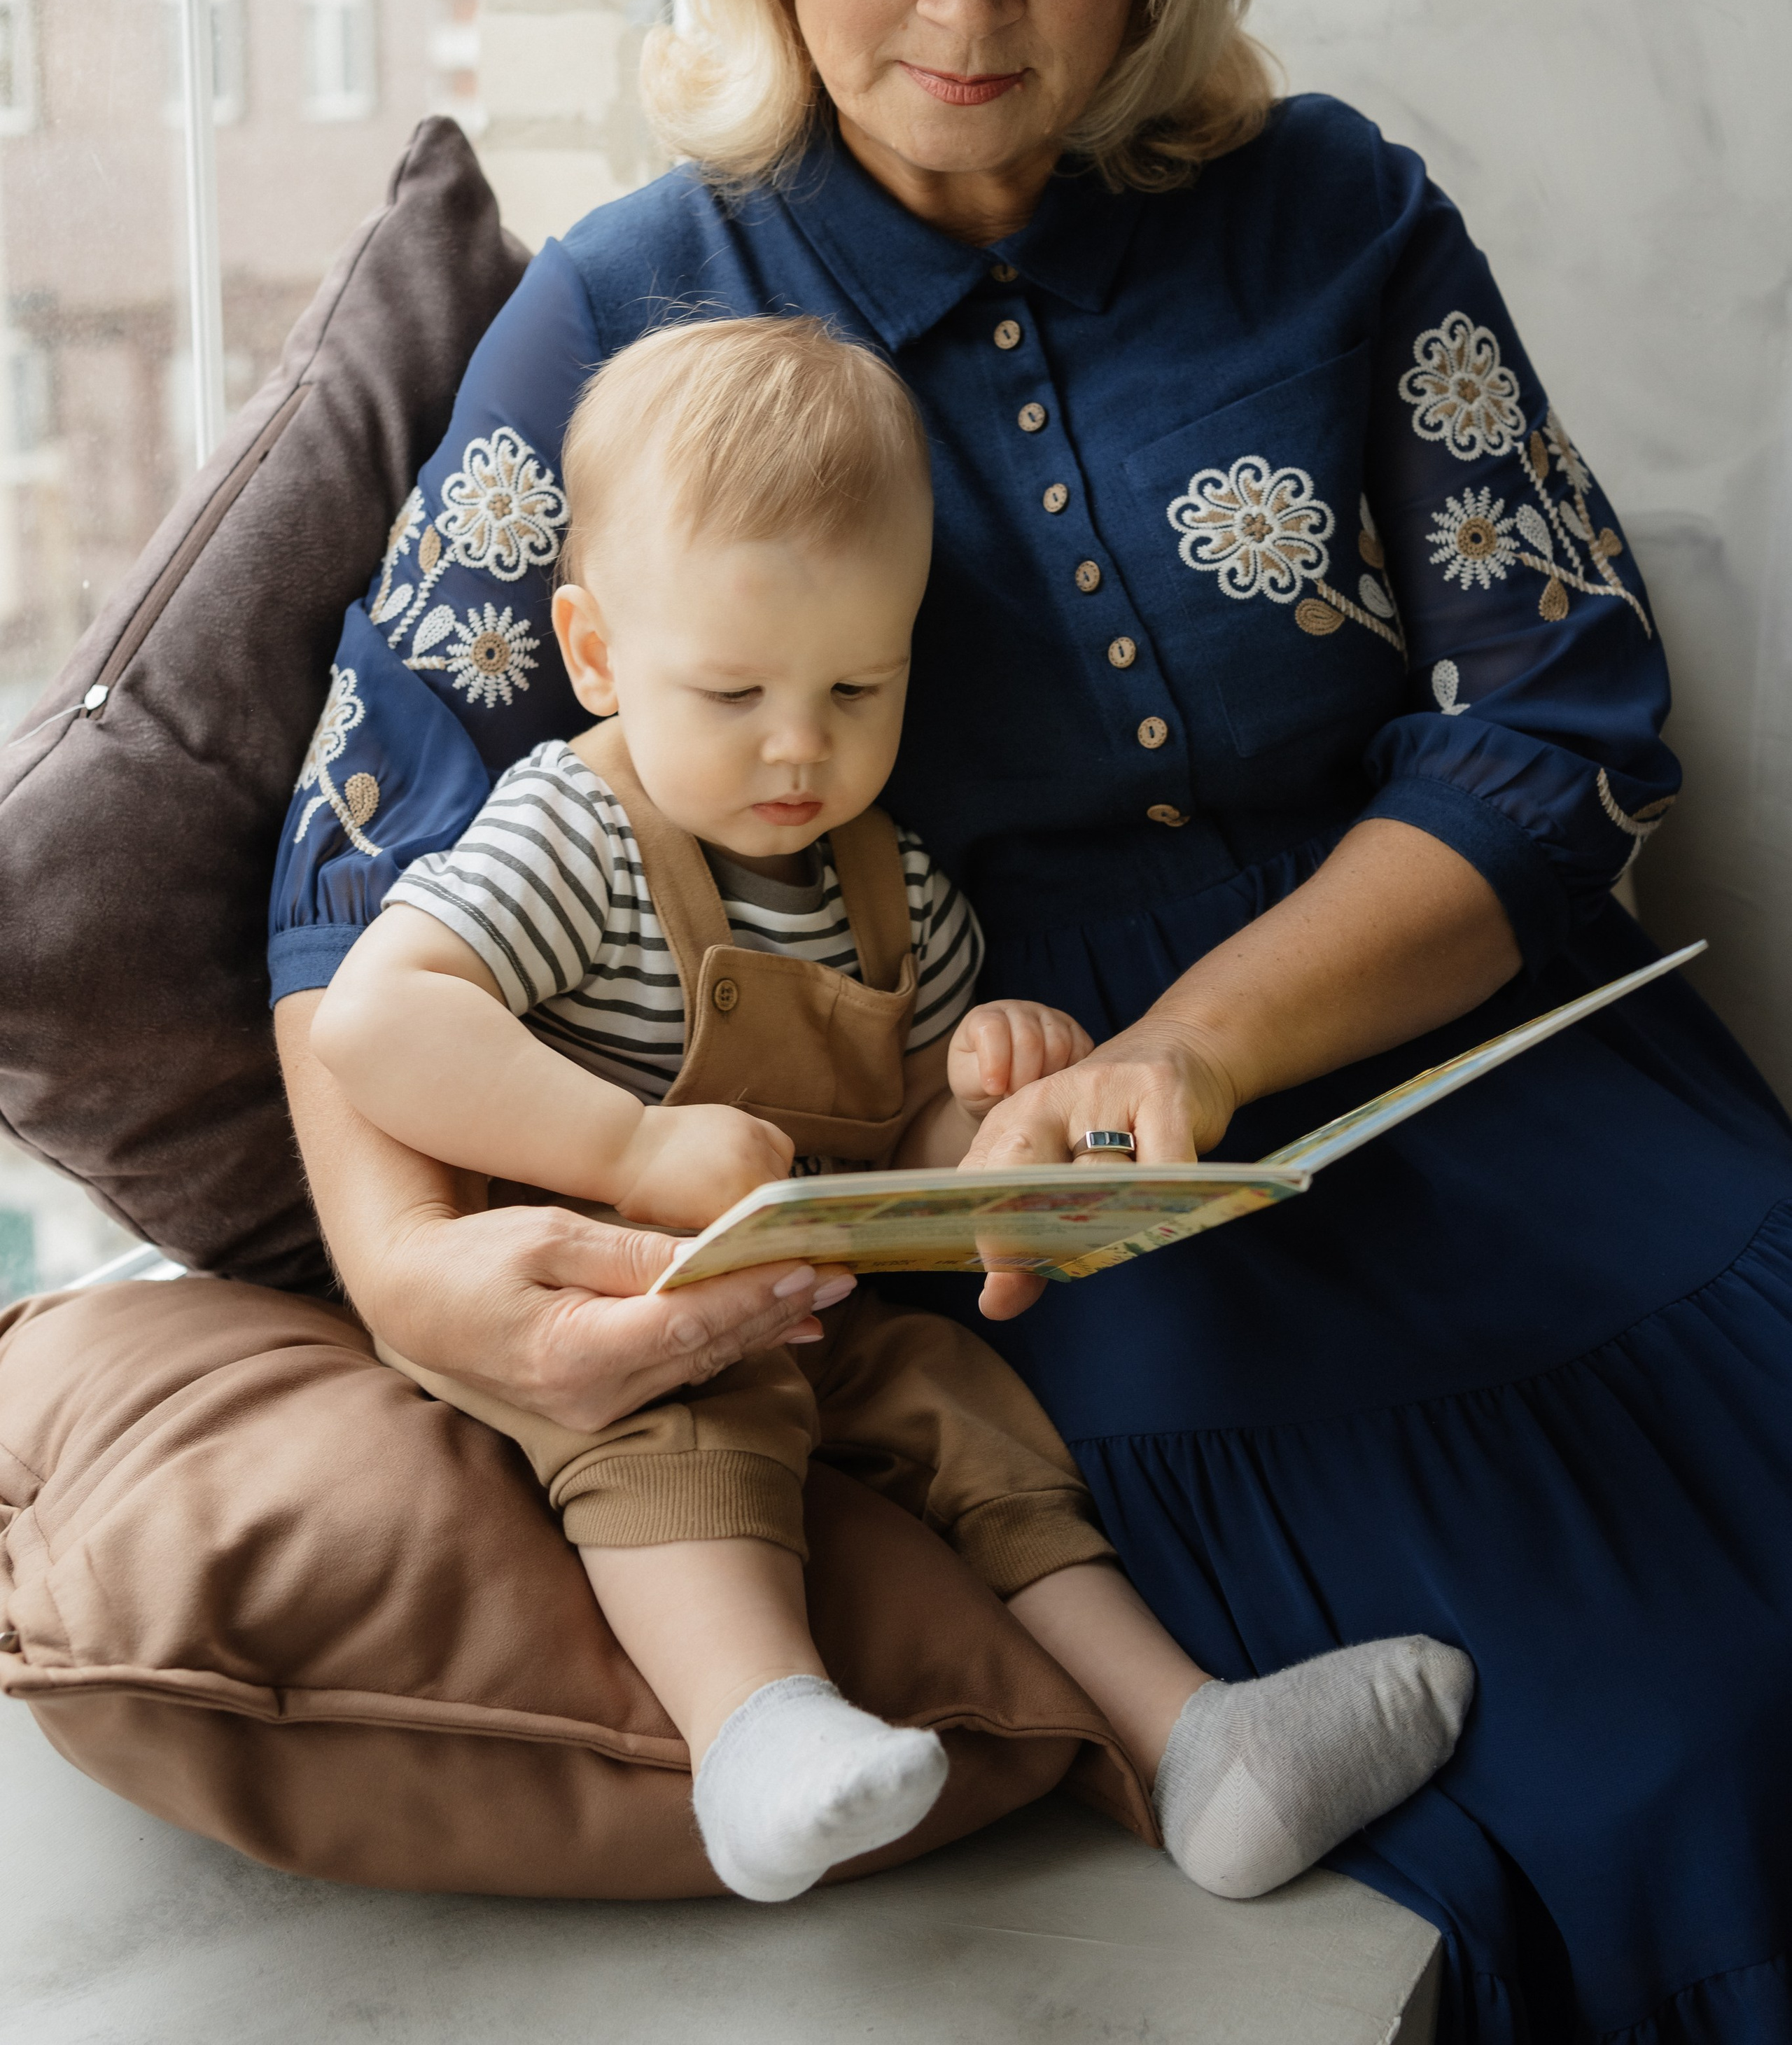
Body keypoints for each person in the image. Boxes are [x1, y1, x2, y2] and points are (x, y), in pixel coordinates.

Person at [270, 0, 1792, 2039]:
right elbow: (360, 877)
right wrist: (413, 1282)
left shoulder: (1341, 215)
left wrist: (1200, 1046)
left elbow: (1563, 724)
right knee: (1645, 1774)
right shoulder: (627, 312)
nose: (963, 12)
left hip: (1521, 1096)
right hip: (1029, 1215)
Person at [309, 312, 1472, 1904]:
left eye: (859, 684)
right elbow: (379, 1023)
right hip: (621, 1314)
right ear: (592, 655)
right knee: (688, 1429)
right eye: (730, 692)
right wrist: (631, 1147)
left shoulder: (892, 882)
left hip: (823, 1302)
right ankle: (755, 1737)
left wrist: (986, 1103)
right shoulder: (573, 828)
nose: (802, 747)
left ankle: (1195, 1742)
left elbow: (915, 1137)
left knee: (974, 1420)